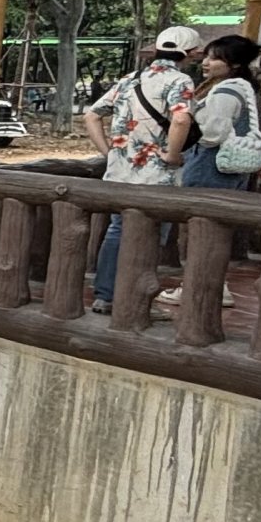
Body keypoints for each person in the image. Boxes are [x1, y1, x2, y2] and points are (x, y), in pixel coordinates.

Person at [84, 26, 200, 309]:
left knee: (117, 230)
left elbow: (91, 114)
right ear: (191, 53)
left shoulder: (131, 79)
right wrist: (173, 154)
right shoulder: (180, 80)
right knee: (152, 232)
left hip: (121, 172)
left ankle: (105, 295)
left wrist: (109, 153)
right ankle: (135, 297)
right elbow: (182, 119)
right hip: (156, 174)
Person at [165, 34, 261, 189]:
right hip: (229, 169)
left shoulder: (225, 92)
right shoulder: (243, 88)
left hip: (209, 167)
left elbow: (213, 134)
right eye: (206, 57)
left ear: (236, 63)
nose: (205, 63)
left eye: (214, 59)